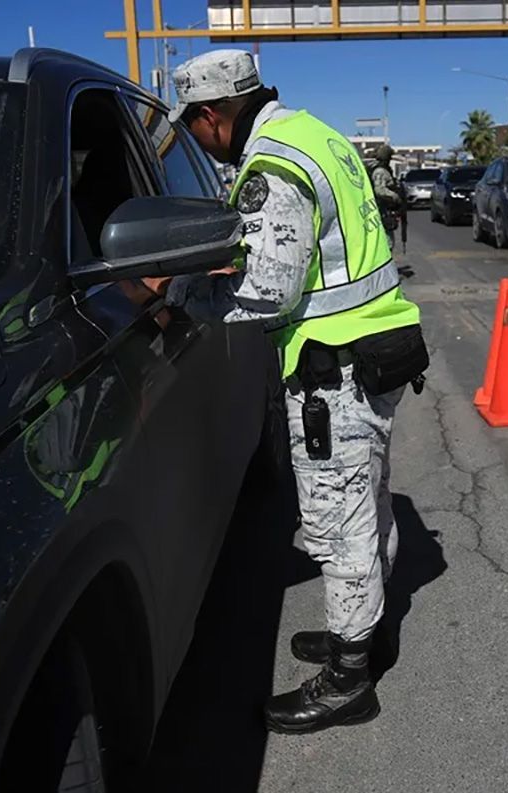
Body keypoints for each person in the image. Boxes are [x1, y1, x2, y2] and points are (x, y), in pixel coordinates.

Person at [155, 50, 426, 733]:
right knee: (368, 505)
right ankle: (363, 633)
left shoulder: (271, 165)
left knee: (339, 527)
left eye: (196, 126)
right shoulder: (314, 132)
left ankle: (348, 680)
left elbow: (266, 293)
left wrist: (181, 293)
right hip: (378, 350)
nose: (197, 138)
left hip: (332, 369)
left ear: (213, 114)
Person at [368, 144, 404, 248]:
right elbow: (380, 190)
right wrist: (395, 196)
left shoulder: (383, 169)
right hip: (381, 209)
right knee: (387, 243)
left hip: (382, 209)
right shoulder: (380, 171)